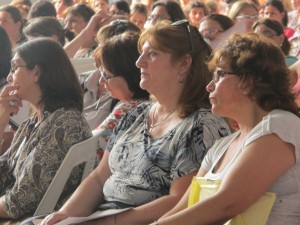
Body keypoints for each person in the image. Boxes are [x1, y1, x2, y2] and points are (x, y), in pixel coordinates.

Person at [41, 20, 230, 225]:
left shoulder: (202, 125)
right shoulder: (136, 113)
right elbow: (99, 177)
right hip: (101, 216)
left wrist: (108, 222)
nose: (139, 62)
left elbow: (179, 202)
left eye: (152, 54)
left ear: (184, 63)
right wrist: (66, 214)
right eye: (142, 54)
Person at [155, 32, 300, 225]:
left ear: (248, 81)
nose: (209, 86)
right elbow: (185, 207)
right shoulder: (222, 146)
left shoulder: (280, 125)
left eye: (220, 74)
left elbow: (227, 203)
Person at [0, 38, 92, 219]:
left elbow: (18, 202)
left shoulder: (65, 124)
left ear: (36, 72)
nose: (9, 77)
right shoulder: (33, 123)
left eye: (15, 68)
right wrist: (2, 119)